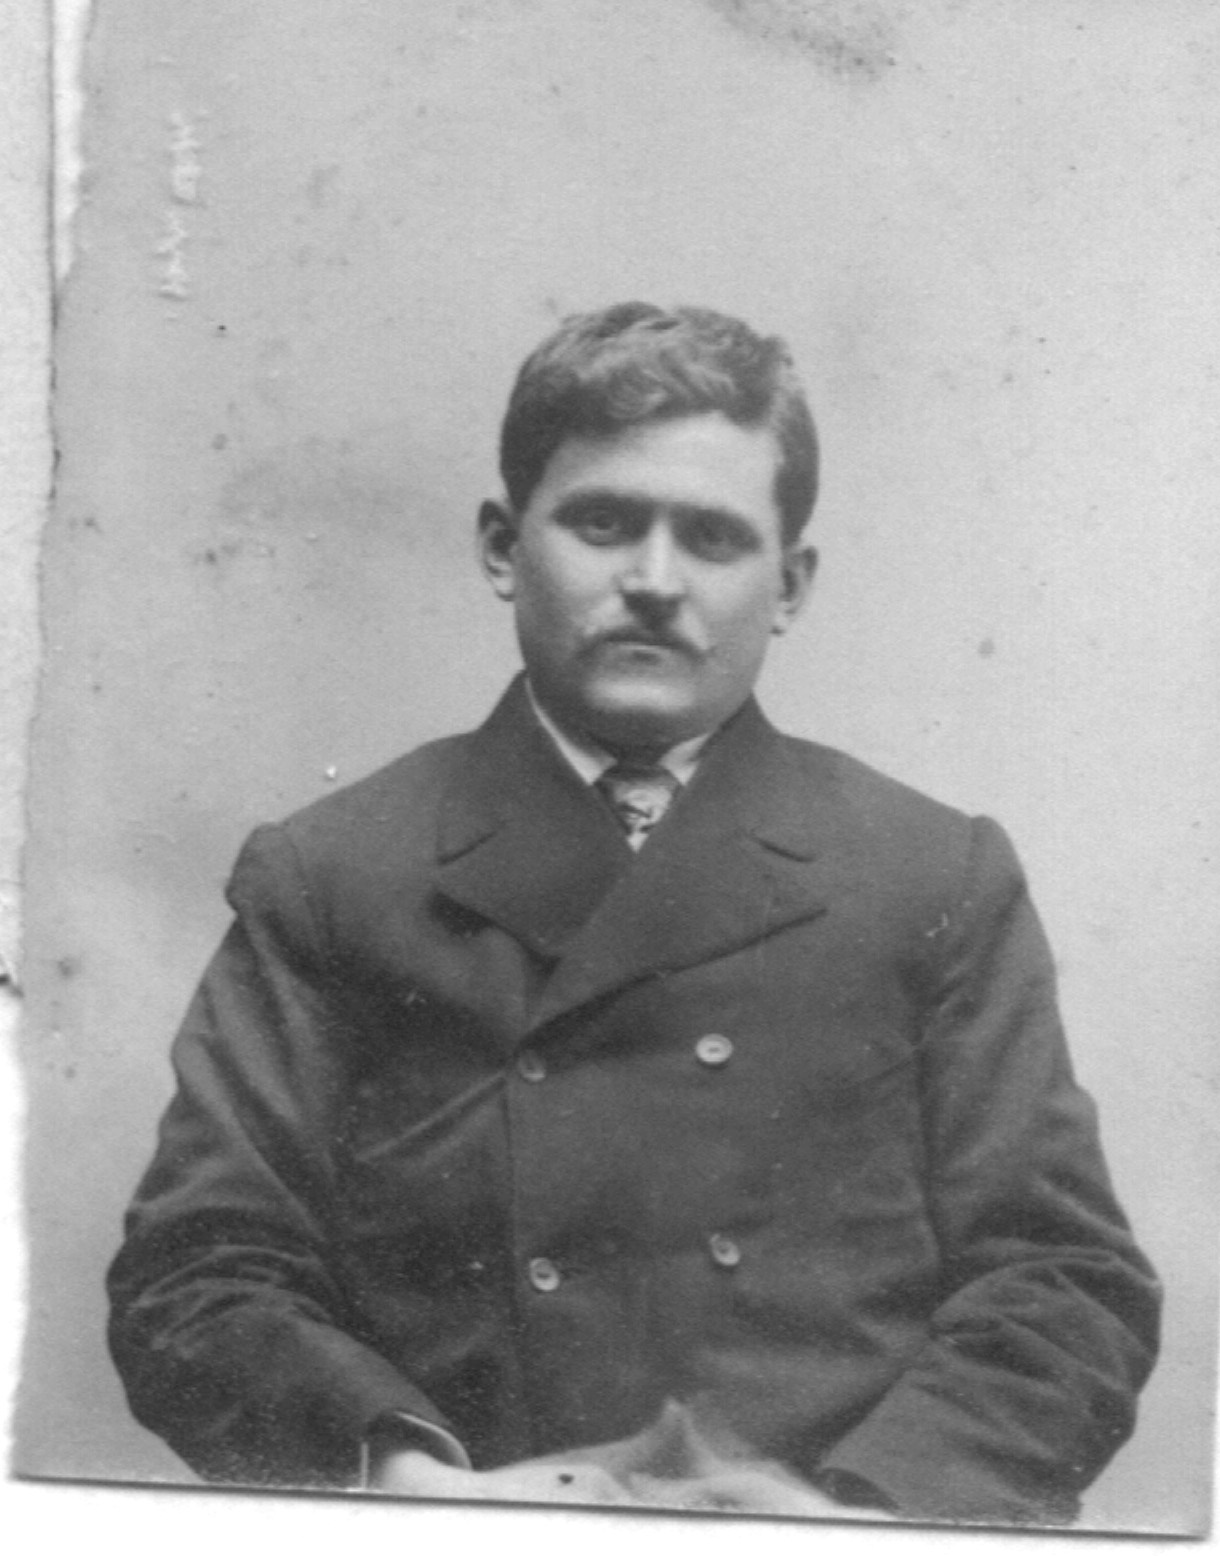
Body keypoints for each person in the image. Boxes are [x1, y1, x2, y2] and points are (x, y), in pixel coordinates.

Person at [107, 302, 1160, 1525]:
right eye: (603, 523)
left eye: (711, 537)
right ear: (504, 546)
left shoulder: (930, 875)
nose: (655, 582)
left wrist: (865, 1516)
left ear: (788, 584)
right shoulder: (337, 872)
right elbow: (201, 1269)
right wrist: (408, 1485)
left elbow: (1060, 1278)